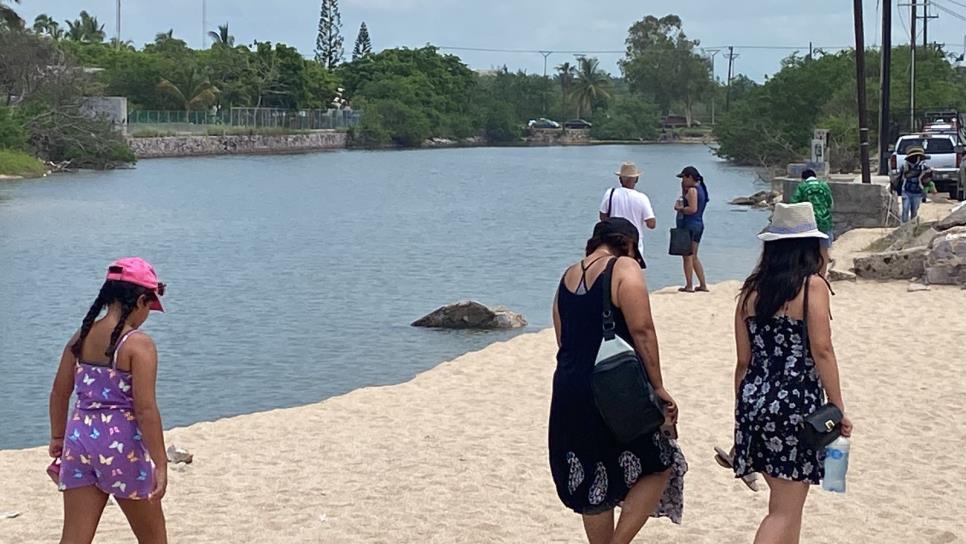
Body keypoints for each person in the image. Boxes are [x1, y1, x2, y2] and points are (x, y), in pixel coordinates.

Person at [550, 217, 686, 544]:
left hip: (570, 386)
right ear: (627, 243)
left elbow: (562, 337)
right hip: (616, 390)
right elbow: (643, 330)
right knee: (662, 461)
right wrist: (658, 386)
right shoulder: (623, 267)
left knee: (591, 477)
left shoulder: (567, 276)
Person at [733, 203, 853, 544]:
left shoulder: (750, 292)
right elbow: (822, 350)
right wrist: (838, 405)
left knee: (789, 505)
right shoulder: (811, 286)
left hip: (754, 401)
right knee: (783, 511)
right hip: (795, 407)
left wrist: (742, 417)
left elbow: (743, 361)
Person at [48, 257, 169, 544]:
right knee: (153, 538)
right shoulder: (138, 344)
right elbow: (145, 409)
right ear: (141, 301)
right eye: (149, 308)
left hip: (79, 442)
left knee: (74, 537)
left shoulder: (81, 336)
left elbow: (59, 391)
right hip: (122, 447)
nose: (146, 316)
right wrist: (161, 463)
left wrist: (57, 436)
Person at [600, 161, 656, 264]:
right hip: (633, 242)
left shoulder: (610, 193)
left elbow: (602, 217)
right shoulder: (642, 198)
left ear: (620, 179)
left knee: (612, 270)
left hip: (613, 240)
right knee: (633, 271)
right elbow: (651, 224)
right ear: (636, 179)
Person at [790, 169, 834, 276]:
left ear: (803, 178)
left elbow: (794, 202)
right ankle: (822, 275)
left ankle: (807, 274)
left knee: (807, 249)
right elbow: (830, 203)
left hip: (808, 223)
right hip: (825, 221)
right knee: (824, 250)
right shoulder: (824, 186)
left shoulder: (802, 186)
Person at [673, 166, 709, 292]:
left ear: (689, 177)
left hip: (690, 224)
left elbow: (692, 209)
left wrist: (680, 209)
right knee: (694, 256)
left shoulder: (693, 191)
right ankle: (702, 284)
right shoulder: (700, 189)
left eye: (683, 178)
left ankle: (689, 285)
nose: (682, 181)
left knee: (687, 256)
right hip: (698, 224)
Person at [895, 147, 931, 223]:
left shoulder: (924, 167)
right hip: (906, 191)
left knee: (914, 211)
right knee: (905, 208)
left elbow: (927, 180)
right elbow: (904, 176)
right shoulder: (905, 167)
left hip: (917, 192)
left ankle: (912, 227)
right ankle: (904, 226)